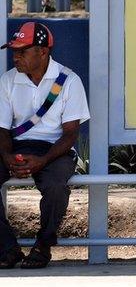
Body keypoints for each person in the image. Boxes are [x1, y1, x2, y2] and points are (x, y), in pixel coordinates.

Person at [0, 22, 89, 269]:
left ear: (42, 51)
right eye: (13, 51)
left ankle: (43, 245)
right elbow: (2, 129)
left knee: (56, 186)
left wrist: (43, 161)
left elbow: (70, 135)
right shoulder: (8, 80)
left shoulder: (69, 81)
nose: (15, 57)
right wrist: (7, 156)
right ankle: (7, 248)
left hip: (53, 149)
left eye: (21, 51)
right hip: (16, 146)